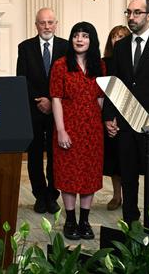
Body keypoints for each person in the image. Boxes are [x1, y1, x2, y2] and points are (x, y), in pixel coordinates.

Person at [103, 0, 149, 228]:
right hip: (125, 124)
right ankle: (130, 222)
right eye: (129, 13)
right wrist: (108, 117)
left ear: (148, 16)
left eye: (137, 13)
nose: (132, 17)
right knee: (128, 175)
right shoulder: (121, 47)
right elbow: (113, 85)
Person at [50, 22, 105, 240]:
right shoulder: (60, 65)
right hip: (68, 128)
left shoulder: (99, 66)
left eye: (85, 36)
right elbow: (55, 99)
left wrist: (99, 124)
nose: (79, 40)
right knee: (69, 175)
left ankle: (85, 221)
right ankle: (70, 220)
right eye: (76, 36)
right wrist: (61, 130)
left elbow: (101, 99)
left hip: (92, 131)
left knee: (89, 176)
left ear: (92, 41)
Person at [16, 7, 67, 214]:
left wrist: (52, 100)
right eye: (42, 23)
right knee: (35, 155)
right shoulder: (25, 47)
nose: (46, 26)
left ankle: (52, 196)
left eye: (50, 22)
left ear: (56, 24)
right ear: (36, 25)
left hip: (59, 111)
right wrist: (40, 100)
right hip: (35, 109)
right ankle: (39, 195)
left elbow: (68, 78)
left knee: (56, 155)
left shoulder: (66, 47)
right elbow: (22, 78)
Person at [102, 25, 131, 211]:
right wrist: (108, 117)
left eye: (121, 36)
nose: (117, 39)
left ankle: (129, 197)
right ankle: (116, 195)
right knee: (113, 158)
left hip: (128, 115)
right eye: (114, 36)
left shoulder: (133, 61)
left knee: (127, 159)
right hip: (108, 115)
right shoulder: (104, 62)